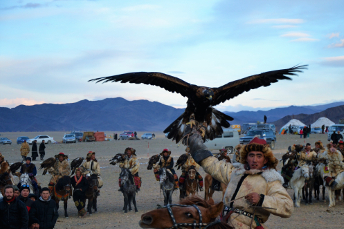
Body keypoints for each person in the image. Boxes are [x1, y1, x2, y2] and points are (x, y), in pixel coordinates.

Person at [187, 131, 293, 228]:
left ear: (265, 160)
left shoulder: (271, 180)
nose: (254, 160)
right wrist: (196, 145)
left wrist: (262, 199)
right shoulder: (235, 172)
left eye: (259, 156)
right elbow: (214, 165)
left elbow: (287, 207)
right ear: (246, 158)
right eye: (251, 155)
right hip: (224, 222)